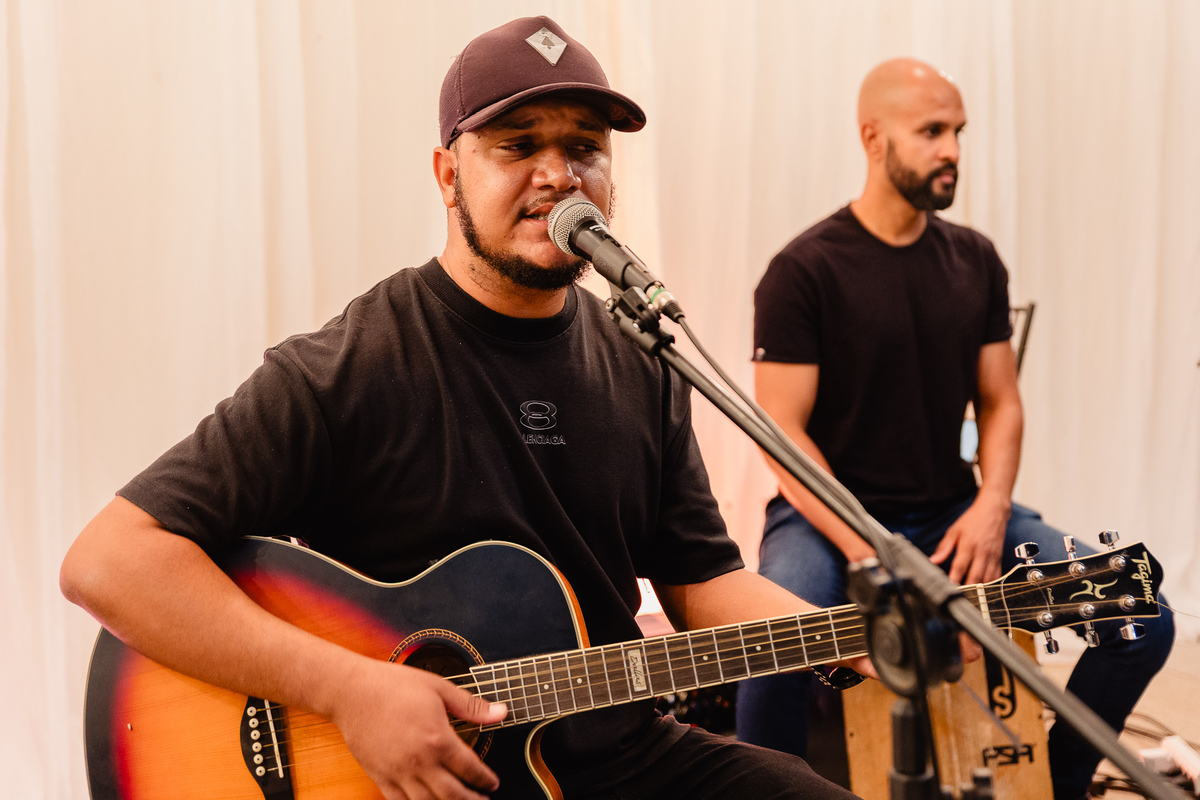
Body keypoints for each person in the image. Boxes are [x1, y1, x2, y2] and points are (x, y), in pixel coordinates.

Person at [61, 16, 866, 800]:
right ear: (448, 175)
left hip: (621, 753)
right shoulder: (351, 366)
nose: (559, 176)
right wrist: (348, 689)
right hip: (419, 776)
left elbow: (701, 580)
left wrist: (852, 636)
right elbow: (110, 562)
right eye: (518, 146)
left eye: (584, 149)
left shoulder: (642, 358)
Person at [734, 57, 1174, 800]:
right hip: (827, 520)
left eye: (959, 133)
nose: (953, 151)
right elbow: (782, 436)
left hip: (952, 513)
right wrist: (869, 547)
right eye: (932, 132)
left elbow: (1001, 401)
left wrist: (992, 504)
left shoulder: (976, 262)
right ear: (873, 139)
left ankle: (1060, 783)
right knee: (770, 650)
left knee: (1143, 615)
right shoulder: (803, 270)